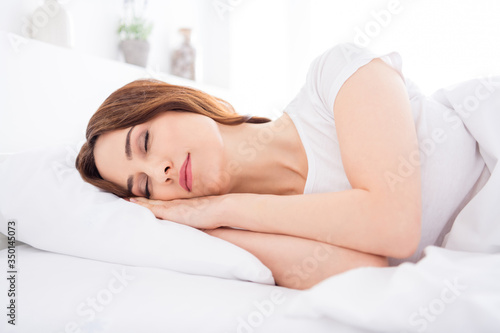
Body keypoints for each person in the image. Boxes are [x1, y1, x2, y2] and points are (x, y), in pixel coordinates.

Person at [75, 43, 486, 290]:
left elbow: (393, 228)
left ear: (178, 101)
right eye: (144, 186)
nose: (160, 173)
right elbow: (368, 275)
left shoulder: (335, 77)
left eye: (145, 142)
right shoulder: (255, 227)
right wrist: (211, 228)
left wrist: (221, 208)